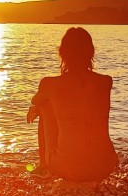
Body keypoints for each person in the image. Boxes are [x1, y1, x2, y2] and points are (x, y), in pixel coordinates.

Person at [26, 27, 118, 183]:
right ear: (91, 52)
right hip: (105, 166)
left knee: (44, 105)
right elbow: (80, 99)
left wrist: (37, 107)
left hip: (68, 168)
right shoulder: (105, 82)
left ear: (62, 53)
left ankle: (44, 166)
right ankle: (88, 159)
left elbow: (36, 101)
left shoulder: (49, 84)